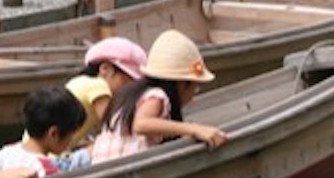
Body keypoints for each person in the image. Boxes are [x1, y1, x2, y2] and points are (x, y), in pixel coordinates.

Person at [88, 30, 229, 164]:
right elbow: (141, 124)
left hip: (101, 166)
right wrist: (195, 129)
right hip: (122, 170)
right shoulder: (157, 95)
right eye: (194, 86)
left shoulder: (130, 95)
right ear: (181, 83)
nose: (196, 91)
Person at [0, 87, 88, 176]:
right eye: (71, 135)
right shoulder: (46, 171)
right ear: (54, 134)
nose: (71, 140)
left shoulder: (6, 153)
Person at [65, 37, 147, 148]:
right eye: (128, 80)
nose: (131, 88)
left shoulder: (79, 82)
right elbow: (113, 127)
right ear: (105, 69)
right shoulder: (98, 86)